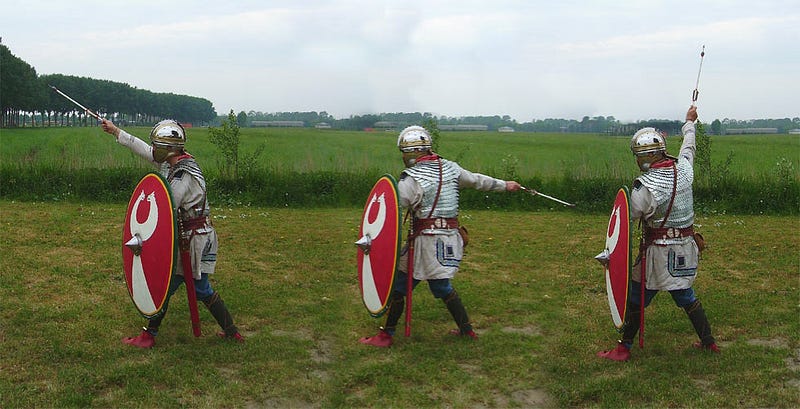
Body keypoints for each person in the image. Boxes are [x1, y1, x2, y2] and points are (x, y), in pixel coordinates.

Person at [359, 125, 521, 347]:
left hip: (426, 241)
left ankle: (387, 336)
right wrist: (506, 185)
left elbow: (392, 206)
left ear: (410, 153)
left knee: (401, 286)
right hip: (449, 239)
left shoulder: (412, 179)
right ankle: (466, 331)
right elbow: (477, 180)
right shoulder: (451, 169)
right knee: (435, 285)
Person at [101, 119, 243, 348]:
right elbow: (144, 149)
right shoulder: (172, 163)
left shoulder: (182, 174)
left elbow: (167, 207)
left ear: (168, 150)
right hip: (188, 236)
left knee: (168, 285)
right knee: (193, 287)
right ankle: (231, 332)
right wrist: (116, 131)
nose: (153, 149)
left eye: (157, 146)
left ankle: (149, 336)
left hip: (193, 240)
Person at [597, 106, 719, 361]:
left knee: (637, 296)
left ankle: (623, 349)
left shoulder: (645, 187)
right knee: (686, 295)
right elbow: (689, 147)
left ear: (643, 157)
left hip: (658, 253)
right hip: (685, 248)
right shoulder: (685, 169)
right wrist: (689, 123)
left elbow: (631, 217)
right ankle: (709, 343)